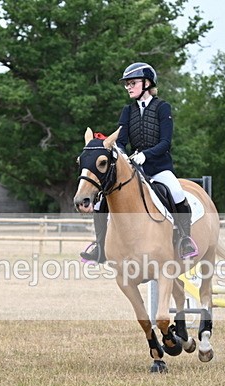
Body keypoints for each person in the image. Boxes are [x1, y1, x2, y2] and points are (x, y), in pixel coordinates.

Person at [80, 62, 198, 263]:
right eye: (127, 84)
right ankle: (99, 245)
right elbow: (121, 140)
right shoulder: (128, 111)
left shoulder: (163, 107)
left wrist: (146, 155)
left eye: (132, 83)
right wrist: (124, 155)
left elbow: (165, 143)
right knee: (101, 200)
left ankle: (185, 239)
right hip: (135, 168)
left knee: (176, 192)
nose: (128, 87)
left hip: (159, 167)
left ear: (146, 83)